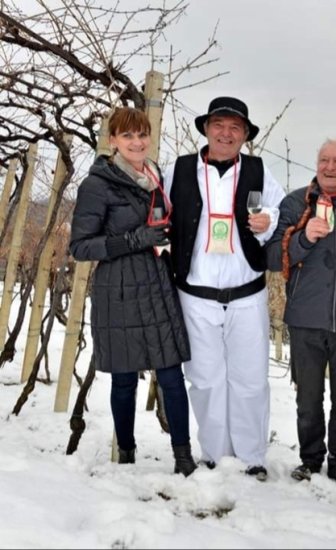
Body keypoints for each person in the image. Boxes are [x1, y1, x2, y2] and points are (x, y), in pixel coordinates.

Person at [69, 107, 197, 476]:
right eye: (128, 136)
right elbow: (80, 247)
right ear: (113, 141)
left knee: (171, 376)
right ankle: (126, 454)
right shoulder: (97, 184)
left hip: (157, 284)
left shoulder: (156, 176)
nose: (137, 142)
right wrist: (133, 239)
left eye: (142, 135)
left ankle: (183, 457)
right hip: (120, 290)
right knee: (125, 379)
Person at [164, 96, 285, 481]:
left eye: (236, 128)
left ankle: (252, 457)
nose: (226, 133)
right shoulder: (177, 170)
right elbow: (159, 215)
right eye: (220, 125)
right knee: (204, 379)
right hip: (194, 295)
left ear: (246, 135)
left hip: (247, 292)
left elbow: (279, 215)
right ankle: (215, 454)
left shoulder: (260, 171)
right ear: (206, 128)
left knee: (250, 379)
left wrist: (269, 222)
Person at [266, 139, 336, 485]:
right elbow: (270, 258)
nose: (330, 166)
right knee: (308, 400)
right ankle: (310, 460)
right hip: (305, 319)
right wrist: (304, 239)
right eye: (324, 159)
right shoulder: (296, 203)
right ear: (316, 164)